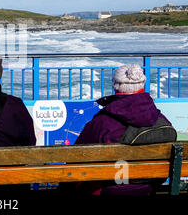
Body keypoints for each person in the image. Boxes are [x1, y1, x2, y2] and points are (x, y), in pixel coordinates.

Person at [72, 64, 174, 196]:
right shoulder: (161, 120)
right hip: (147, 187)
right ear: (142, 86)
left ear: (115, 86)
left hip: (108, 189)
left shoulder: (102, 122)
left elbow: (76, 157)